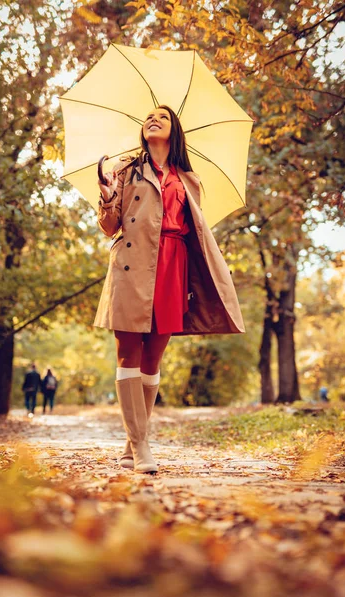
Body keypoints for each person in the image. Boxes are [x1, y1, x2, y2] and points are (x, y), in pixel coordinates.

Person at [95, 105, 245, 474]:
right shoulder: (126, 170)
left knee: (153, 358)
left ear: (174, 129)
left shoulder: (189, 180)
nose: (153, 119)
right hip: (132, 266)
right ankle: (142, 445)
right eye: (147, 117)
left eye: (162, 116)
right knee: (128, 351)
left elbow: (196, 233)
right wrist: (108, 194)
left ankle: (133, 443)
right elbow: (109, 226)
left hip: (172, 265)